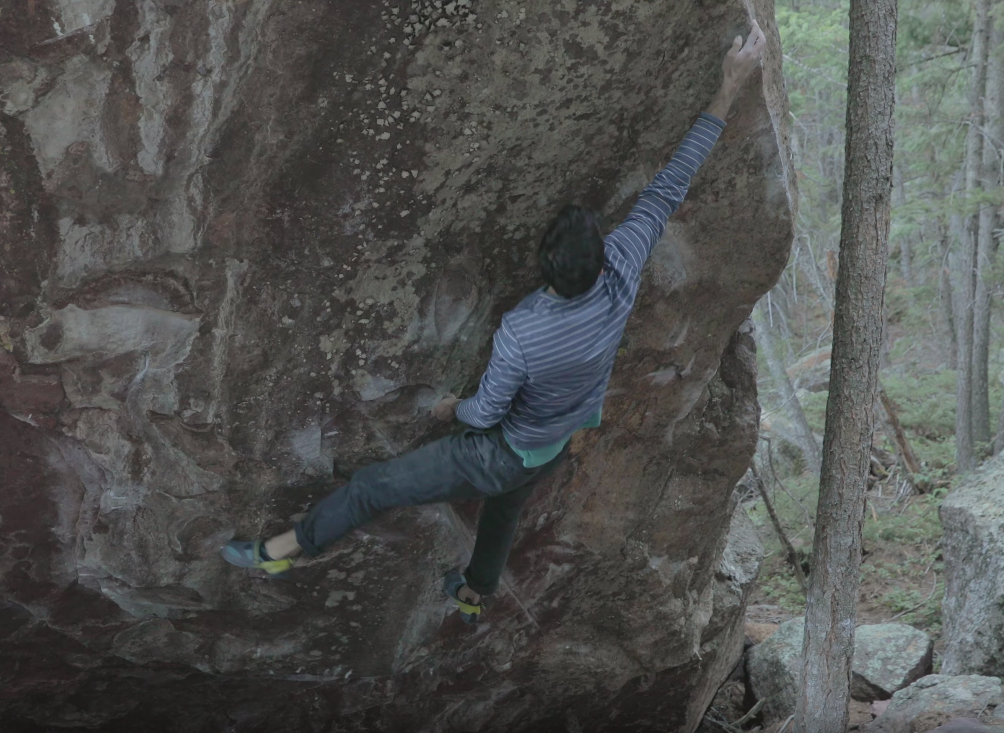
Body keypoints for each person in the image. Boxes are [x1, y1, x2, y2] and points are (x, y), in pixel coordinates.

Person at [222, 21, 769, 624]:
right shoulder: (621, 269)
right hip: (557, 437)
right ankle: (475, 593)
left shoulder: (524, 329)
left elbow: (486, 413)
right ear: (599, 253)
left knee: (372, 487)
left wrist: (449, 409)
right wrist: (728, 87)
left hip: (504, 450)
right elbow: (668, 188)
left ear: (547, 269)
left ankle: (282, 550)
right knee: (504, 511)